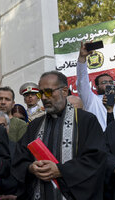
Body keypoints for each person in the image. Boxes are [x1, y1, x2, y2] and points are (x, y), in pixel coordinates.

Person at [12, 71, 106, 199]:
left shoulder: (86, 121)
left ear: (65, 91)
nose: (44, 98)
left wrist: (61, 170)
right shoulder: (34, 125)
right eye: (41, 93)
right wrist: (31, 168)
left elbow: (96, 160)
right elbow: (19, 159)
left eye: (49, 92)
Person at [77, 41, 115, 130]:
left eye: (110, 82)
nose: (108, 84)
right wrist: (82, 58)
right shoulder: (92, 100)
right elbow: (82, 81)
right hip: (101, 140)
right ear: (96, 87)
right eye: (104, 83)